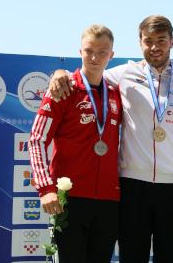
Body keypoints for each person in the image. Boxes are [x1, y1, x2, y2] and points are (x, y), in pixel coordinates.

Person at [49, 15, 173, 263]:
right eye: (148, 40)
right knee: (132, 256)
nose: (154, 47)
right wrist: (61, 73)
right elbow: (88, 74)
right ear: (139, 42)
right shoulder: (123, 74)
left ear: (172, 42)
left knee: (170, 256)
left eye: (161, 40)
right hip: (132, 185)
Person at [28, 24, 122, 263]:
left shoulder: (115, 93)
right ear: (79, 51)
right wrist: (46, 189)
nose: (95, 57)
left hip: (108, 202)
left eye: (103, 52)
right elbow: (37, 139)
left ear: (111, 55)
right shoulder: (63, 89)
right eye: (89, 50)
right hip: (69, 200)